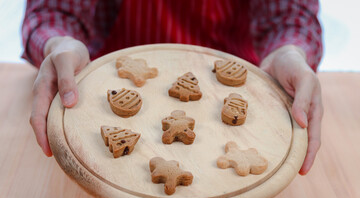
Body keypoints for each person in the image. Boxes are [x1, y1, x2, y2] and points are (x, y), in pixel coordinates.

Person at [22, 0, 323, 175]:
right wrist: (59, 44)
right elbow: (54, 12)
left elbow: (290, 16)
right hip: (108, 87)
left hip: (239, 90)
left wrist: (290, 51)